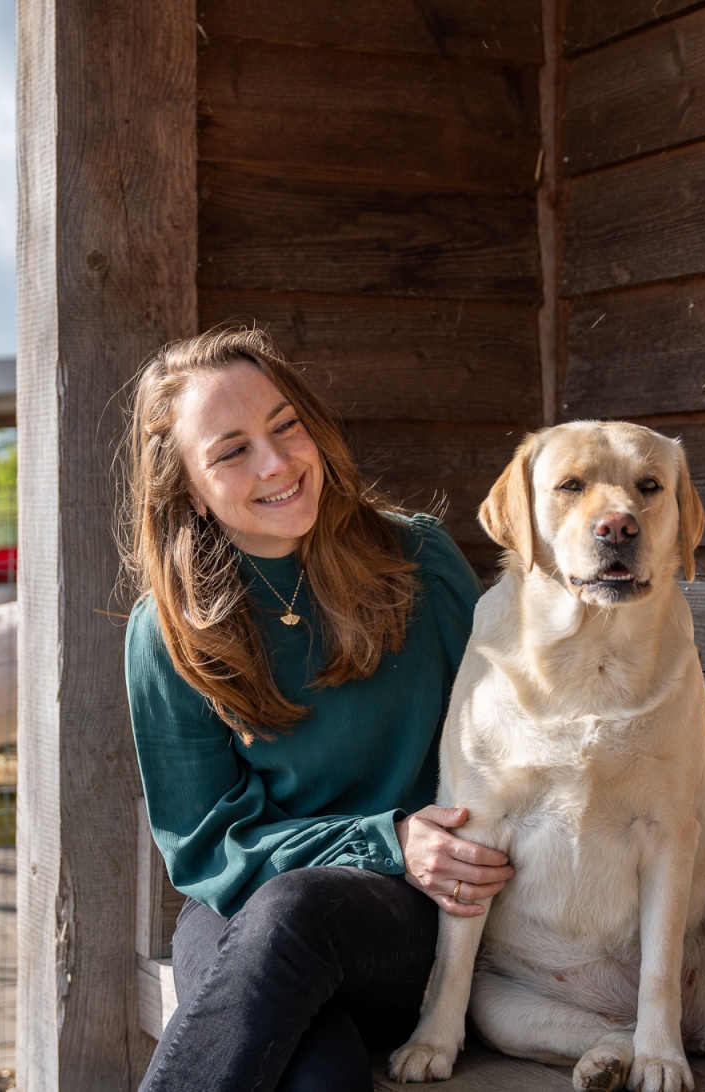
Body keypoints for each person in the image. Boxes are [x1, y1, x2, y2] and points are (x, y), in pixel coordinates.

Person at [120, 328, 515, 1092]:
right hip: (250, 909)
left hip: (419, 918)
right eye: (231, 451)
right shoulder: (168, 631)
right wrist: (385, 838)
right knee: (318, 1077)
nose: (276, 464)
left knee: (294, 913)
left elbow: (510, 728)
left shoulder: (417, 561)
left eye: (285, 425)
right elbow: (208, 852)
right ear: (187, 488)